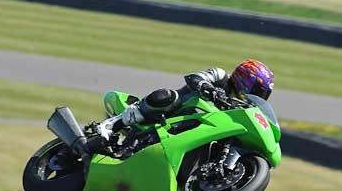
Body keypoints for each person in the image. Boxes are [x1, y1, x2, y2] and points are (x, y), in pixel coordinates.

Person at [98, 59, 275, 138]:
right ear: (245, 80)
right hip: (176, 112)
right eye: (257, 91)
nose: (258, 97)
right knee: (168, 96)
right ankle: (115, 123)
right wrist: (209, 89)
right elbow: (193, 77)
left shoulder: (240, 108)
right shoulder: (220, 76)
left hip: (196, 128)